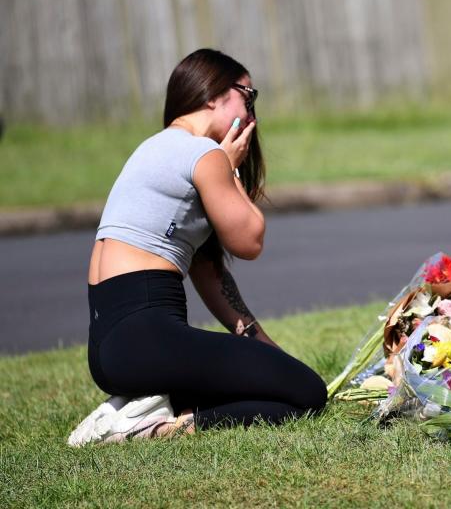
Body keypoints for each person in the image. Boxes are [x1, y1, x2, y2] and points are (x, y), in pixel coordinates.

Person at [74, 49, 327, 444]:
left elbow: (210, 274)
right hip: (147, 335)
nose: (253, 112)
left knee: (276, 383)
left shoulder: (153, 149)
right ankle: (159, 425)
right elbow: (250, 240)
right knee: (308, 394)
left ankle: (138, 406)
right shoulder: (202, 154)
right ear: (213, 95)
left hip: (111, 349)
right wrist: (230, 169)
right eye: (248, 94)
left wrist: (266, 351)